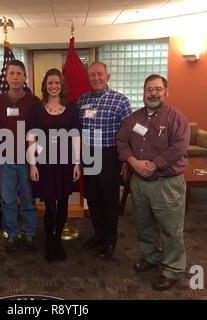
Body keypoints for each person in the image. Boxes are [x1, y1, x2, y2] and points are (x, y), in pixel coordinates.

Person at [116, 74, 190, 291]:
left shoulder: (176, 118)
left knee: (170, 229)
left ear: (166, 92)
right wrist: (133, 162)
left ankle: (172, 270)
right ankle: (151, 257)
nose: (153, 93)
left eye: (158, 89)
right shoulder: (133, 119)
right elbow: (122, 141)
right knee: (144, 225)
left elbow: (179, 147)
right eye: (149, 89)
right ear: (144, 92)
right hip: (139, 183)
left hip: (167, 184)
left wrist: (154, 164)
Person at [77, 61, 132, 260]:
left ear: (107, 76)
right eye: (92, 75)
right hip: (88, 155)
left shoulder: (120, 101)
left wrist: (126, 161)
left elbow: (128, 134)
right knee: (93, 199)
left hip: (109, 156)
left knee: (109, 201)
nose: (96, 78)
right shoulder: (82, 101)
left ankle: (110, 241)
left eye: (100, 74)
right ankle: (99, 235)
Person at [28, 68, 81, 263]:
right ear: (45, 86)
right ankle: (49, 241)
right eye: (50, 83)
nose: (53, 86)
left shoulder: (72, 108)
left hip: (66, 162)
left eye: (57, 83)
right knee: (50, 204)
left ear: (62, 85)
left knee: (63, 203)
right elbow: (31, 136)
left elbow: (76, 135)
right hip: (44, 162)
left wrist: (77, 163)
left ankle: (58, 240)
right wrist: (32, 164)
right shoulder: (37, 108)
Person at [0, 60, 40, 253]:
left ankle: (29, 233)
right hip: (5, 160)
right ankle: (11, 234)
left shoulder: (33, 102)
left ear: (25, 77)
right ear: (6, 77)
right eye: (12, 73)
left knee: (28, 199)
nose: (16, 77)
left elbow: (38, 131)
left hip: (28, 159)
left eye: (19, 73)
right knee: (8, 200)